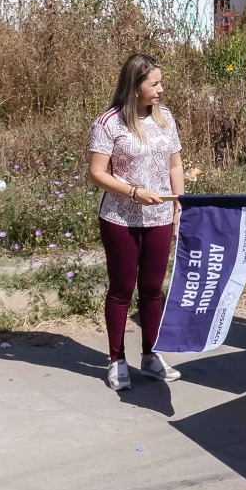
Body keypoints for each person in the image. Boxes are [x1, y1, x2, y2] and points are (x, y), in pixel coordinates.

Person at [88, 53, 186, 392]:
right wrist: (133, 192)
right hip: (120, 217)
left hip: (160, 215)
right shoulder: (108, 123)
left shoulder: (165, 119)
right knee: (121, 289)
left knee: (153, 289)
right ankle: (116, 360)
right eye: (154, 83)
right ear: (135, 86)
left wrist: (178, 206)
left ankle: (151, 355)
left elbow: (175, 165)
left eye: (160, 82)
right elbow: (97, 173)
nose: (160, 89)